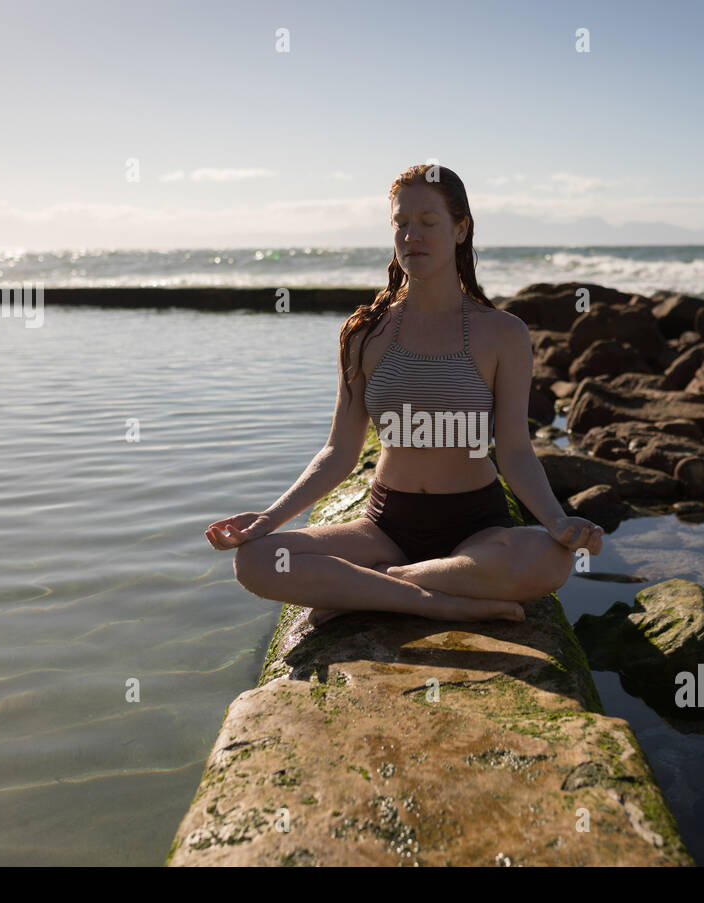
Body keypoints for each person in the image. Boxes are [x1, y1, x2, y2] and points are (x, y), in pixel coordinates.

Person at [206, 164, 603, 628]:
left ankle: (377, 586)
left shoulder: (504, 334)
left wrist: (558, 522)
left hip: (477, 523)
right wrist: (267, 521)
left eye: (428, 222)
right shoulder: (366, 333)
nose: (412, 235)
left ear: (460, 229)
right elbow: (338, 451)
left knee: (551, 561)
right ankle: (434, 601)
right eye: (401, 223)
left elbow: (515, 451)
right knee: (255, 561)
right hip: (385, 524)